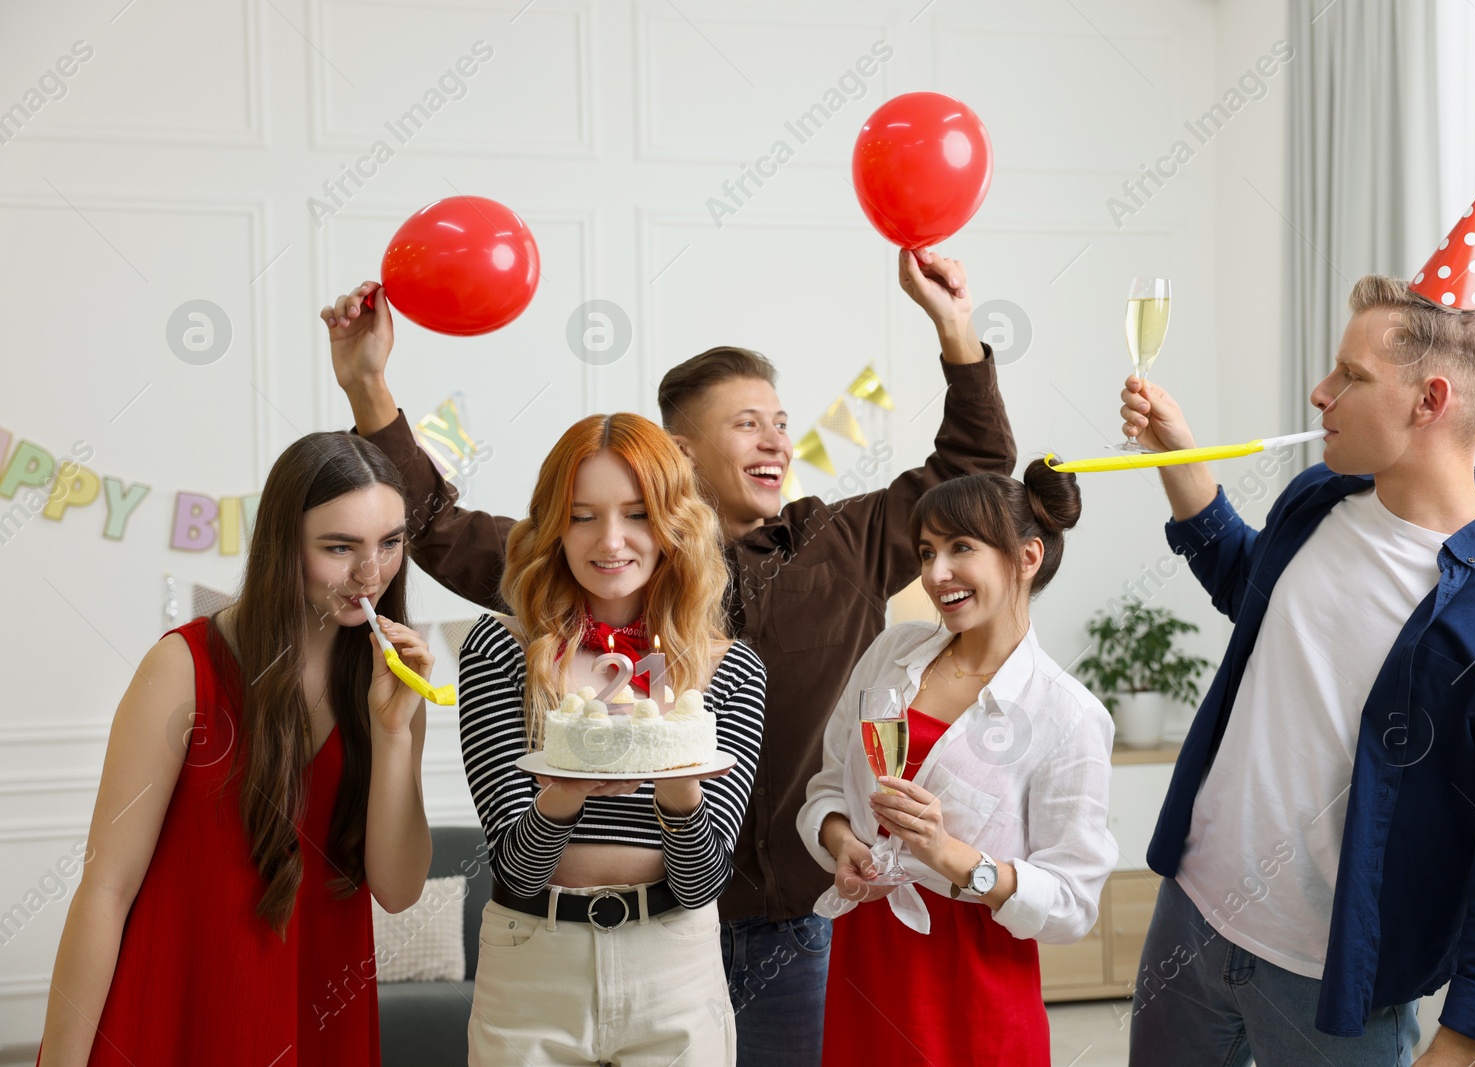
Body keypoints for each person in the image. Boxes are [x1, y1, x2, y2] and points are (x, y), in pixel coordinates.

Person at [320, 247, 1015, 1065]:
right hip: (605, 930)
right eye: (748, 422)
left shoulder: (843, 544)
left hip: (784, 927)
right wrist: (369, 386)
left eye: (782, 420)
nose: (776, 438)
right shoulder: (594, 562)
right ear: (680, 455)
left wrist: (955, 328)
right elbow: (438, 527)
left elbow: (971, 476)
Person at [1117, 272, 1475, 1065]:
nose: (1320, 391)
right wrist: (1178, 452)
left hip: (1332, 989)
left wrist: (1459, 1045)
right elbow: (1249, 585)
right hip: (1189, 916)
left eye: (1351, 376)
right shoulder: (1320, 498)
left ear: (1429, 401)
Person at [38, 433, 436, 1066]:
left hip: (318, 1021)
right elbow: (105, 889)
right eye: (340, 548)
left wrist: (392, 735)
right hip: (175, 1016)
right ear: (284, 546)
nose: (371, 574)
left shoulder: (392, 685)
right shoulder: (182, 667)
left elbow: (398, 888)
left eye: (389, 543)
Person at [455, 413, 765, 1065]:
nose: (612, 539)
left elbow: (702, 880)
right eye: (583, 514)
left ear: (672, 522)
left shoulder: (731, 669)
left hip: (674, 967)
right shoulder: (500, 650)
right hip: (533, 963)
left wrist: (679, 795)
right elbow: (515, 873)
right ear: (553, 527)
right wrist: (561, 796)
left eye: (637, 512)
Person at [797, 461, 1118, 1066]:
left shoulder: (1067, 715)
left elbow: (1073, 904)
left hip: (973, 995)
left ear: (1026, 557)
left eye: (960, 548)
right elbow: (827, 791)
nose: (936, 574)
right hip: (865, 966)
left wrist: (949, 856)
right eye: (926, 552)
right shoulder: (892, 652)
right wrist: (843, 846)